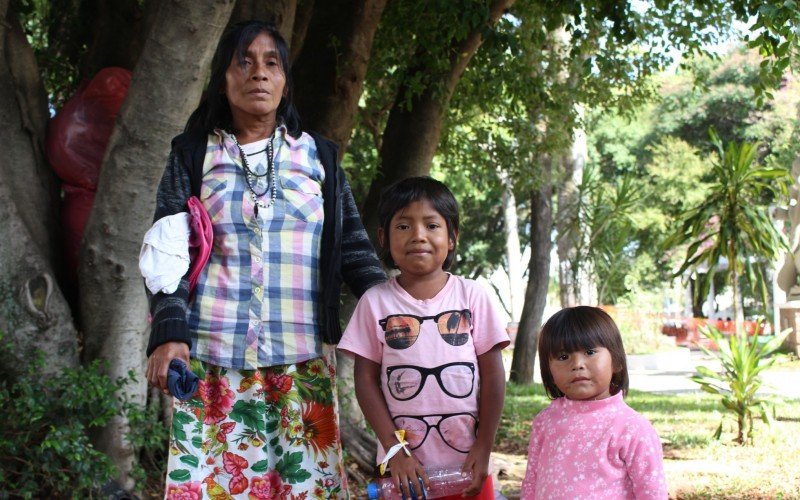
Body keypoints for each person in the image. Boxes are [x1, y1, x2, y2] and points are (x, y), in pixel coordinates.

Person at [141, 21, 385, 498]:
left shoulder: (320, 158)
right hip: (212, 364)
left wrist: (397, 316)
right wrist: (169, 335)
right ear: (224, 78)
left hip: (302, 363)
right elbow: (167, 255)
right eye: (244, 62)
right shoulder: (193, 155)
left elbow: (354, 248)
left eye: (272, 63)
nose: (258, 73)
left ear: (285, 81)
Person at [338, 177, 509, 499]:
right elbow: (365, 381)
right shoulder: (375, 302)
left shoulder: (472, 296)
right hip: (405, 469)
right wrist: (394, 451)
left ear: (453, 237)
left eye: (432, 225)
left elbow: (493, 374)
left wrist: (484, 446)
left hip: (468, 464)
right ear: (383, 238)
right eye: (403, 226)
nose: (418, 236)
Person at [520, 306, 667, 500]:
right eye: (563, 357)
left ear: (616, 361)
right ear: (549, 371)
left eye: (589, 352)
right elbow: (532, 481)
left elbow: (652, 493)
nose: (577, 364)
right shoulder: (545, 421)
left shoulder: (632, 428)